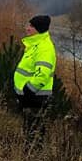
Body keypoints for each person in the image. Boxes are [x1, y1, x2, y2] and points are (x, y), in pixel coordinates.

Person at [14, 14, 57, 148]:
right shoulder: (35, 45)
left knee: (34, 135)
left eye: (31, 26)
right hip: (30, 98)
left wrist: (27, 91)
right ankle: (28, 160)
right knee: (29, 132)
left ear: (38, 29)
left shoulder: (44, 48)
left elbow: (42, 75)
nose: (27, 28)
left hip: (36, 99)